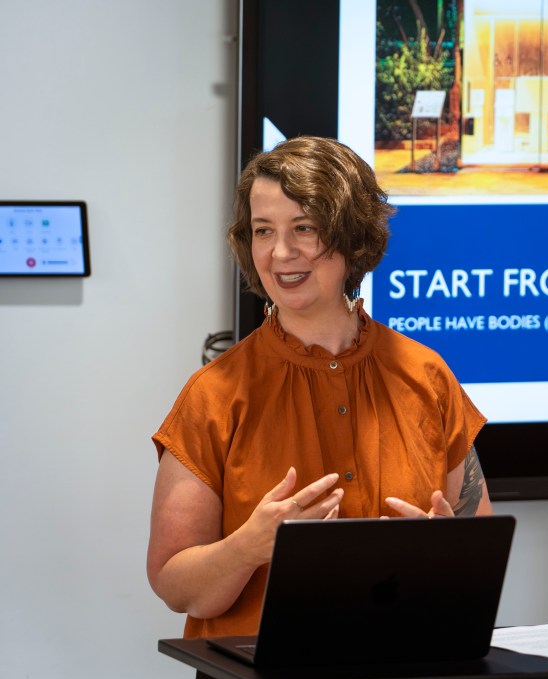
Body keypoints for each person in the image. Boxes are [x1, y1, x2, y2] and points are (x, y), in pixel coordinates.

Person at [147, 136, 493, 641]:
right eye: (263, 230)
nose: (280, 252)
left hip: (405, 667)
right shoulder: (213, 394)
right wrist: (250, 547)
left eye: (304, 228)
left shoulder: (426, 374)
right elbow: (175, 585)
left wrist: (445, 552)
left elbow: (481, 554)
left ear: (353, 238)